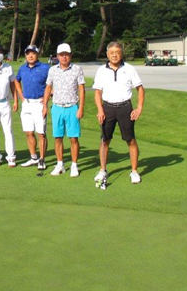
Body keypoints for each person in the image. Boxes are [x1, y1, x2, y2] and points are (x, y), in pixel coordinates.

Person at [92, 41, 145, 184]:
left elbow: (140, 89)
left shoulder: (129, 69)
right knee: (104, 140)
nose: (114, 55)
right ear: (107, 54)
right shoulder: (101, 70)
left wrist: (139, 108)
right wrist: (100, 110)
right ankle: (103, 170)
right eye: (111, 53)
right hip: (107, 108)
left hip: (125, 108)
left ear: (121, 54)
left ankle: (134, 171)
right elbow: (97, 92)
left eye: (117, 52)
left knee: (131, 140)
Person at [42, 43, 85, 177]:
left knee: (73, 138)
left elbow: (81, 89)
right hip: (57, 107)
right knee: (58, 137)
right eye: (61, 55)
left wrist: (81, 108)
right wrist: (44, 106)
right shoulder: (52, 70)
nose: (64, 57)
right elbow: (48, 88)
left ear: (70, 55)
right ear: (57, 56)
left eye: (66, 54)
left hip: (72, 107)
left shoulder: (77, 69)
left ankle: (74, 165)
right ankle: (60, 164)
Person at [15, 45, 49, 170]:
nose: (30, 56)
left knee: (41, 133)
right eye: (28, 53)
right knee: (29, 132)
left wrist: (49, 95)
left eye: (33, 53)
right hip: (26, 104)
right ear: (25, 55)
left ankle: (42, 159)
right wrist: (21, 95)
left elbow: (53, 83)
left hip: (39, 103)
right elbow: (16, 80)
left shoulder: (45, 68)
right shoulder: (22, 68)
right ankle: (34, 158)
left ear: (37, 54)